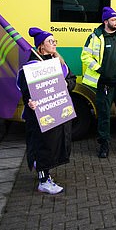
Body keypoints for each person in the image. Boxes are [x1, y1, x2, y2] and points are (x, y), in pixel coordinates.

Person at [17, 27, 75, 194]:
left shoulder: (59, 63)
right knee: (44, 145)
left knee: (54, 144)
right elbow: (25, 89)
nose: (54, 44)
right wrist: (28, 101)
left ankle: (43, 167)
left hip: (59, 112)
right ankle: (43, 181)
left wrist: (66, 84)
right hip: (40, 115)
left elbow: (72, 80)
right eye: (51, 41)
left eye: (55, 41)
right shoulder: (32, 66)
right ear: (41, 46)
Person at [81, 7, 116, 159]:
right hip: (105, 84)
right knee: (104, 115)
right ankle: (104, 145)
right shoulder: (95, 37)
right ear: (105, 21)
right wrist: (99, 69)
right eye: (113, 19)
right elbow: (85, 56)